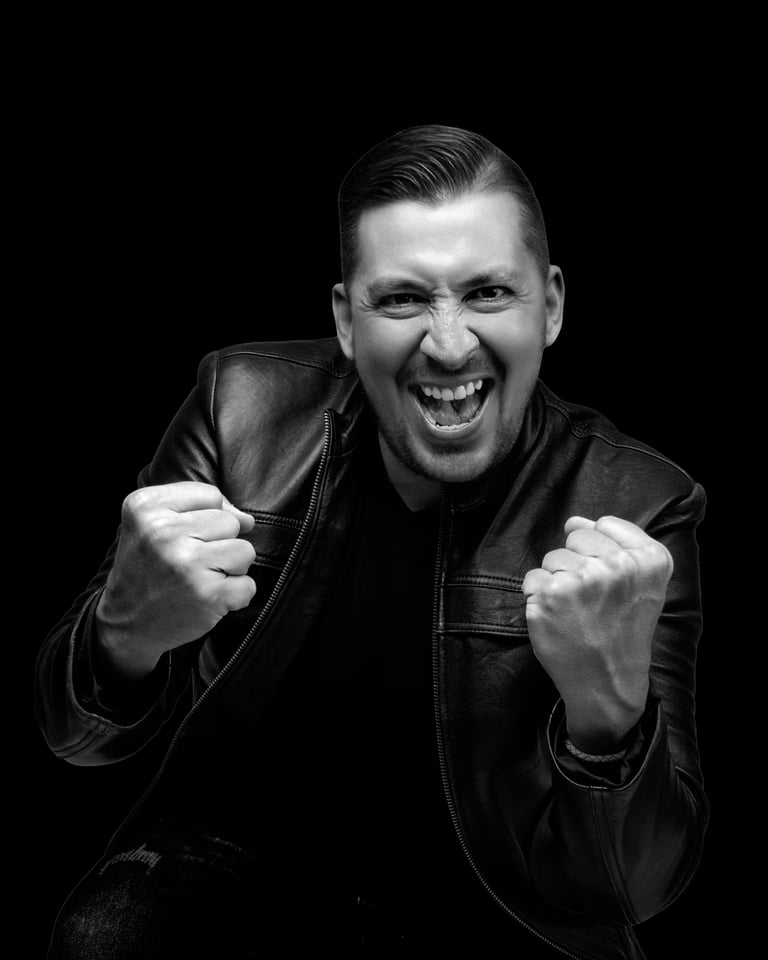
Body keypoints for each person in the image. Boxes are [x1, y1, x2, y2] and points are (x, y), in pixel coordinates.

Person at [35, 124, 708, 959]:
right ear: (346, 321)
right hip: (244, 868)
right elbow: (78, 739)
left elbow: (634, 890)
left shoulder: (640, 503)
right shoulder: (236, 405)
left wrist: (607, 717)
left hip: (493, 907)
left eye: (489, 292)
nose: (449, 344)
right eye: (401, 300)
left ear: (552, 306)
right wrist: (124, 633)